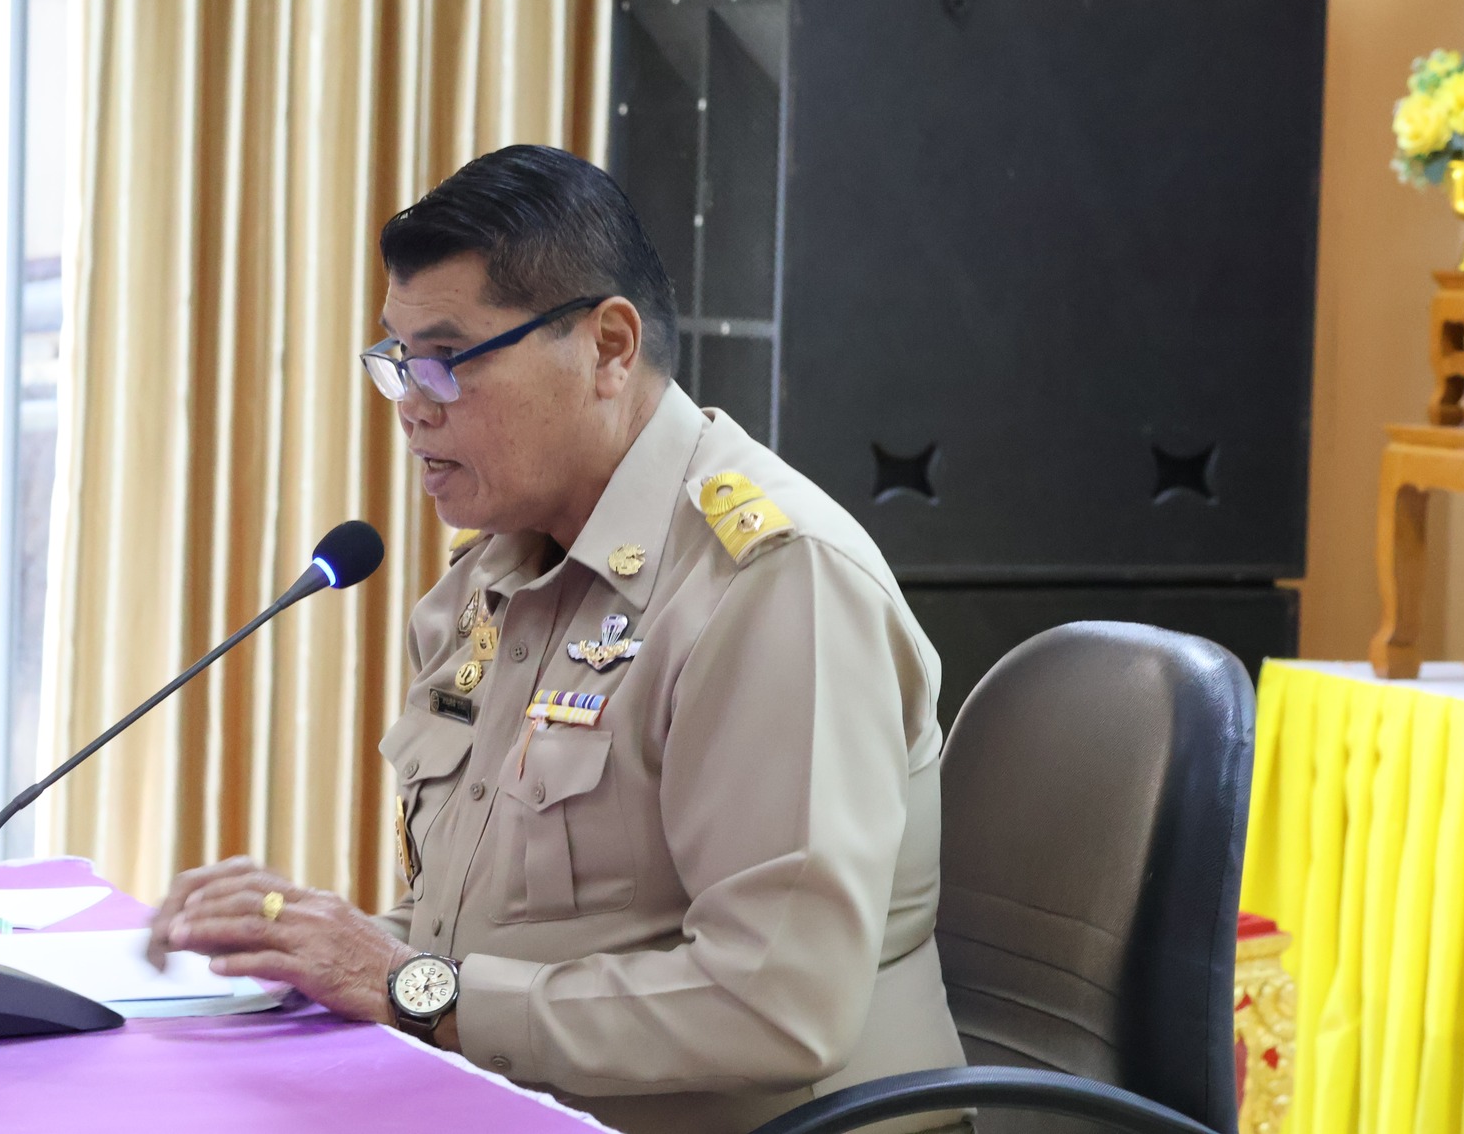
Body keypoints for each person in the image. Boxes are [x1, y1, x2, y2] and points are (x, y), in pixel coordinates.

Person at [144, 144, 966, 1134]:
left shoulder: (769, 586)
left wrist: (405, 985)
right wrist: (313, 944)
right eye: (397, 361)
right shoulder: (490, 578)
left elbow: (774, 1007)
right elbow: (490, 937)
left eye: (446, 360)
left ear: (608, 348)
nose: (412, 406)